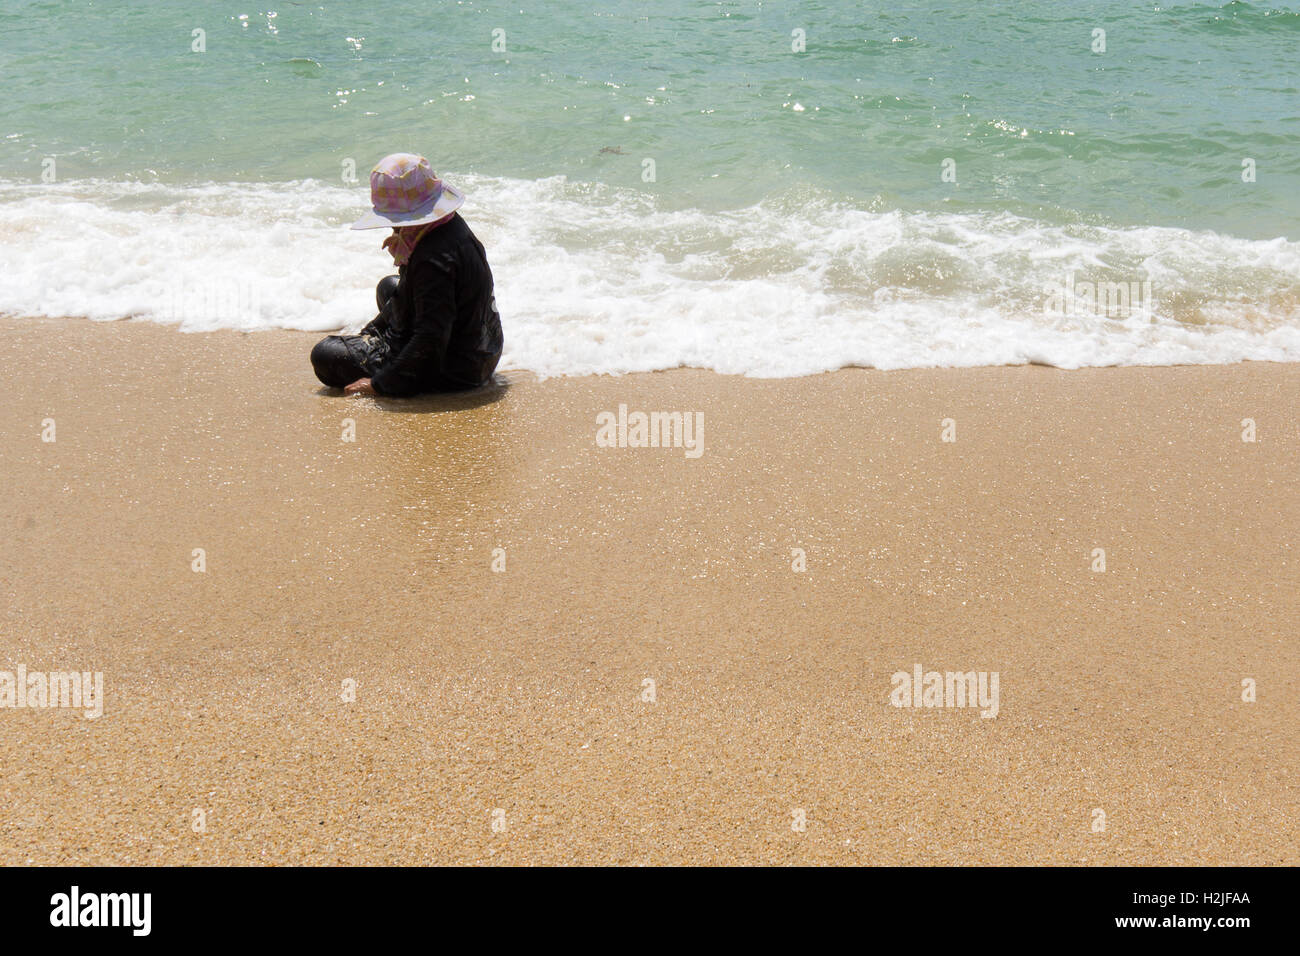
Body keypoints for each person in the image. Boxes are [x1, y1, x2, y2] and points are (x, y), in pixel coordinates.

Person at [311, 153, 503, 396]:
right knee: (389, 287)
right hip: (484, 350)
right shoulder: (448, 226)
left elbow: (431, 336)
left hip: (456, 370)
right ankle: (392, 348)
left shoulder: (433, 258)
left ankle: (404, 369)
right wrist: (370, 332)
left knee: (325, 355)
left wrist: (380, 384)